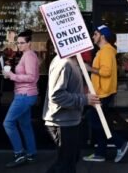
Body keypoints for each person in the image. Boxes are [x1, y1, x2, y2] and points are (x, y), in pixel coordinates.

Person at [42, 45, 100, 173]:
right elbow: (56, 95)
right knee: (65, 165)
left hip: (70, 120)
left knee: (69, 161)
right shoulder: (64, 63)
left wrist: (84, 94)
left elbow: (69, 89)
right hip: (61, 122)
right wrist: (84, 99)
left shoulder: (72, 62)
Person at [83, 25, 128, 163]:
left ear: (102, 36)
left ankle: (120, 144)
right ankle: (100, 153)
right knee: (98, 122)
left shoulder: (106, 52)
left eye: (95, 34)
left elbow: (106, 72)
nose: (93, 37)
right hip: (100, 92)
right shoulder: (104, 51)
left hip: (102, 94)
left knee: (97, 123)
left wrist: (89, 68)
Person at [2, 30, 40, 168]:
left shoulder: (29, 56)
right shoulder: (27, 55)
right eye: (18, 43)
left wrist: (11, 75)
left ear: (29, 43)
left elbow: (31, 77)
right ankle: (31, 153)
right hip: (26, 94)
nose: (19, 45)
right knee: (25, 125)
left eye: (22, 43)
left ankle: (19, 153)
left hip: (24, 95)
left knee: (8, 123)